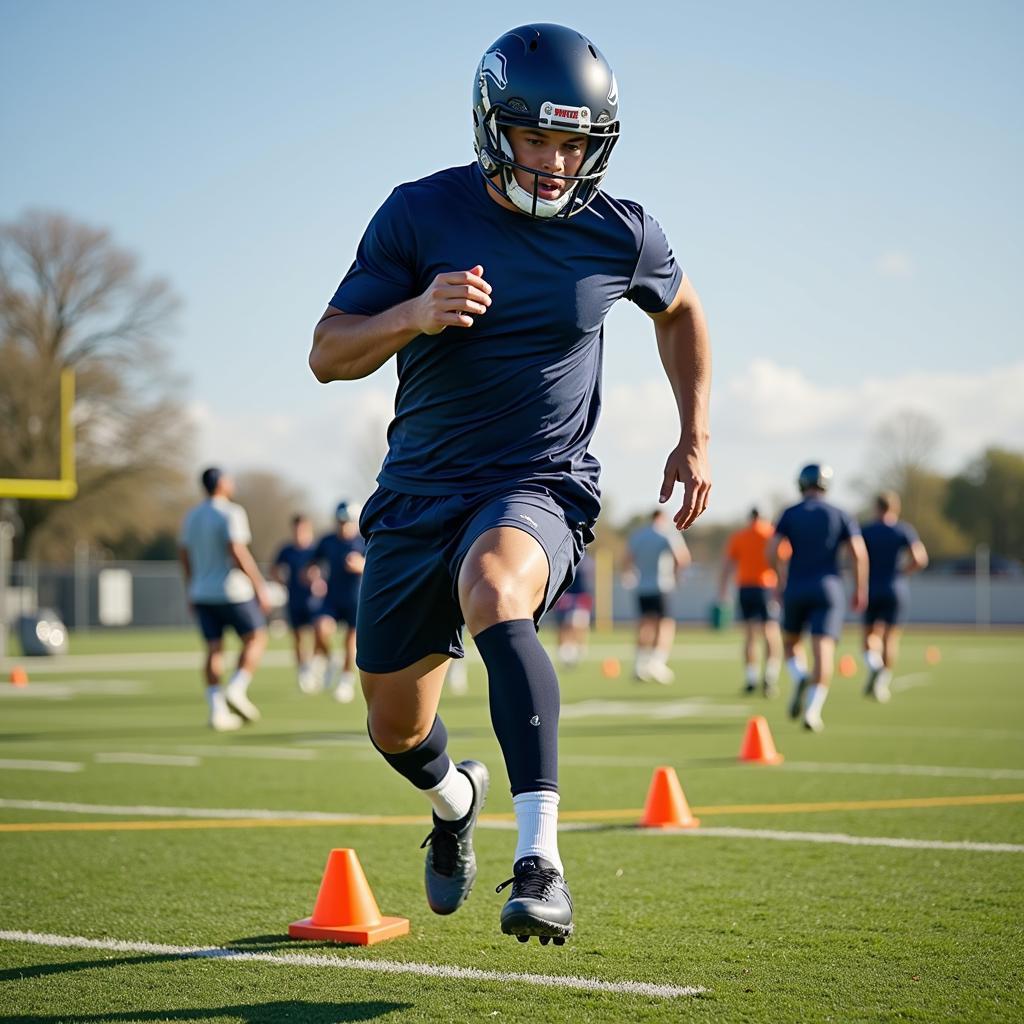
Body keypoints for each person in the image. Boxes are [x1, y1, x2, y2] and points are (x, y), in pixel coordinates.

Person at [308, 23, 711, 944]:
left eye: (576, 142)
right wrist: (415, 312)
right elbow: (327, 353)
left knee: (496, 589)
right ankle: (456, 804)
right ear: (494, 127)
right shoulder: (420, 213)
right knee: (394, 727)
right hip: (417, 495)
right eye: (539, 138)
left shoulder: (623, 232)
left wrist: (695, 433)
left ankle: (542, 863)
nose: (558, 160)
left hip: (539, 482)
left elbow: (681, 311)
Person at [768, 464, 867, 732]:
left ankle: (799, 675)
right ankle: (812, 712)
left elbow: (774, 548)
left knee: (790, 643)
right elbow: (858, 553)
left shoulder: (790, 513)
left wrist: (780, 578)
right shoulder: (840, 514)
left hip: (797, 585)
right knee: (823, 649)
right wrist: (860, 588)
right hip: (829, 587)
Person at [178, 467, 271, 731]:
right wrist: (259, 585)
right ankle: (237, 688)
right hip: (232, 591)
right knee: (257, 637)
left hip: (202, 592)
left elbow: (184, 556)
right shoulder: (231, 512)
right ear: (220, 484)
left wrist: (190, 589)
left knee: (213, 649)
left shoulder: (191, 516)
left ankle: (216, 710)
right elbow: (237, 551)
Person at [861, 491, 929, 702]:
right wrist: (902, 572)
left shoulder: (867, 531)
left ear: (876, 507)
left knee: (869, 637)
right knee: (890, 639)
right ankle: (882, 685)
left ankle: (874, 666)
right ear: (895, 508)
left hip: (871, 588)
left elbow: (853, 556)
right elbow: (920, 559)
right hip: (895, 589)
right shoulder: (903, 530)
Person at [719, 507, 786, 696]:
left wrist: (722, 589)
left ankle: (751, 677)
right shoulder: (772, 534)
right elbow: (783, 557)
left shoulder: (740, 536)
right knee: (770, 632)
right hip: (766, 587)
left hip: (745, 587)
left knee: (749, 634)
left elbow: (727, 564)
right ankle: (770, 677)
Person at [624, 510, 690, 684]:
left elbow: (627, 559)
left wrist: (630, 575)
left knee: (644, 625)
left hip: (642, 587)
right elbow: (682, 558)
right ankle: (656, 662)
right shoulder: (667, 533)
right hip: (662, 586)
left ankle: (639, 664)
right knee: (665, 624)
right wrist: (677, 575)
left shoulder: (638, 536)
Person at [310, 501, 365, 703]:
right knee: (320, 629)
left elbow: (377, 568)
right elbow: (313, 564)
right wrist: (313, 575)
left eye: (347, 521)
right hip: (332, 599)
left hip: (355, 599)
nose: (343, 526)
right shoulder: (327, 541)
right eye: (340, 521)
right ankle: (332, 661)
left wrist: (361, 565)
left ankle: (345, 681)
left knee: (350, 642)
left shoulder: (364, 541)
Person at [271, 514, 321, 694]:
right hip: (295, 600)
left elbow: (326, 570)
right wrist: (283, 583)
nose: (299, 532)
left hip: (315, 601)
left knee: (320, 634)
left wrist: (319, 582)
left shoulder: (316, 549)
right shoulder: (287, 550)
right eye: (296, 529)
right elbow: (274, 569)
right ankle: (303, 672)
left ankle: (315, 664)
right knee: (298, 637)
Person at [553, 552, 594, 668]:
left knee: (579, 624)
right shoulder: (563, 554)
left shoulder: (586, 559)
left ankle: (578, 649)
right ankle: (564, 651)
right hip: (565, 594)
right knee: (563, 624)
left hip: (581, 595)